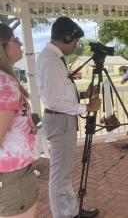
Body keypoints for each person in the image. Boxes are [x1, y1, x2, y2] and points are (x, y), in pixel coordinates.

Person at [36, 17, 101, 218]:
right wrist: (87, 106)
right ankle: (62, 215)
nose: (75, 45)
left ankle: (71, 211)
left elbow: (61, 93)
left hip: (63, 119)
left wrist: (83, 94)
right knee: (59, 176)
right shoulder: (49, 60)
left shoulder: (54, 59)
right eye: (75, 41)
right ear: (65, 37)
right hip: (59, 120)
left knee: (64, 173)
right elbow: (56, 101)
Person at [0, 24, 39, 217]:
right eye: (15, 39)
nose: (20, 43)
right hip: (12, 178)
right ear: (2, 46)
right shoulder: (4, 82)